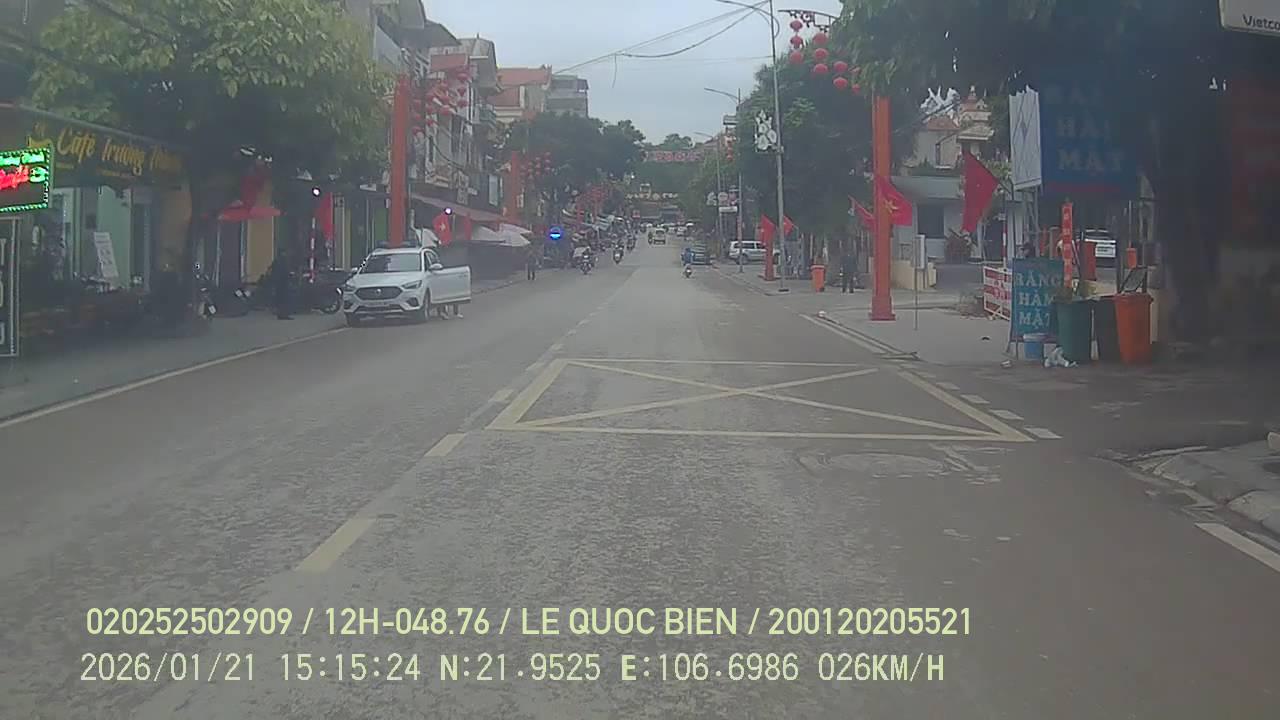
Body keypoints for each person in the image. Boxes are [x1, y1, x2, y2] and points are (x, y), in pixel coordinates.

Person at [269, 248, 293, 319]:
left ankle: (280, 314)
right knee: (284, 299)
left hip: (278, 283)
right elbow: (285, 271)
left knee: (279, 298)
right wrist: (289, 275)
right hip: (283, 282)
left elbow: (273, 271)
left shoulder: (276, 261)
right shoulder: (283, 260)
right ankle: (284, 314)